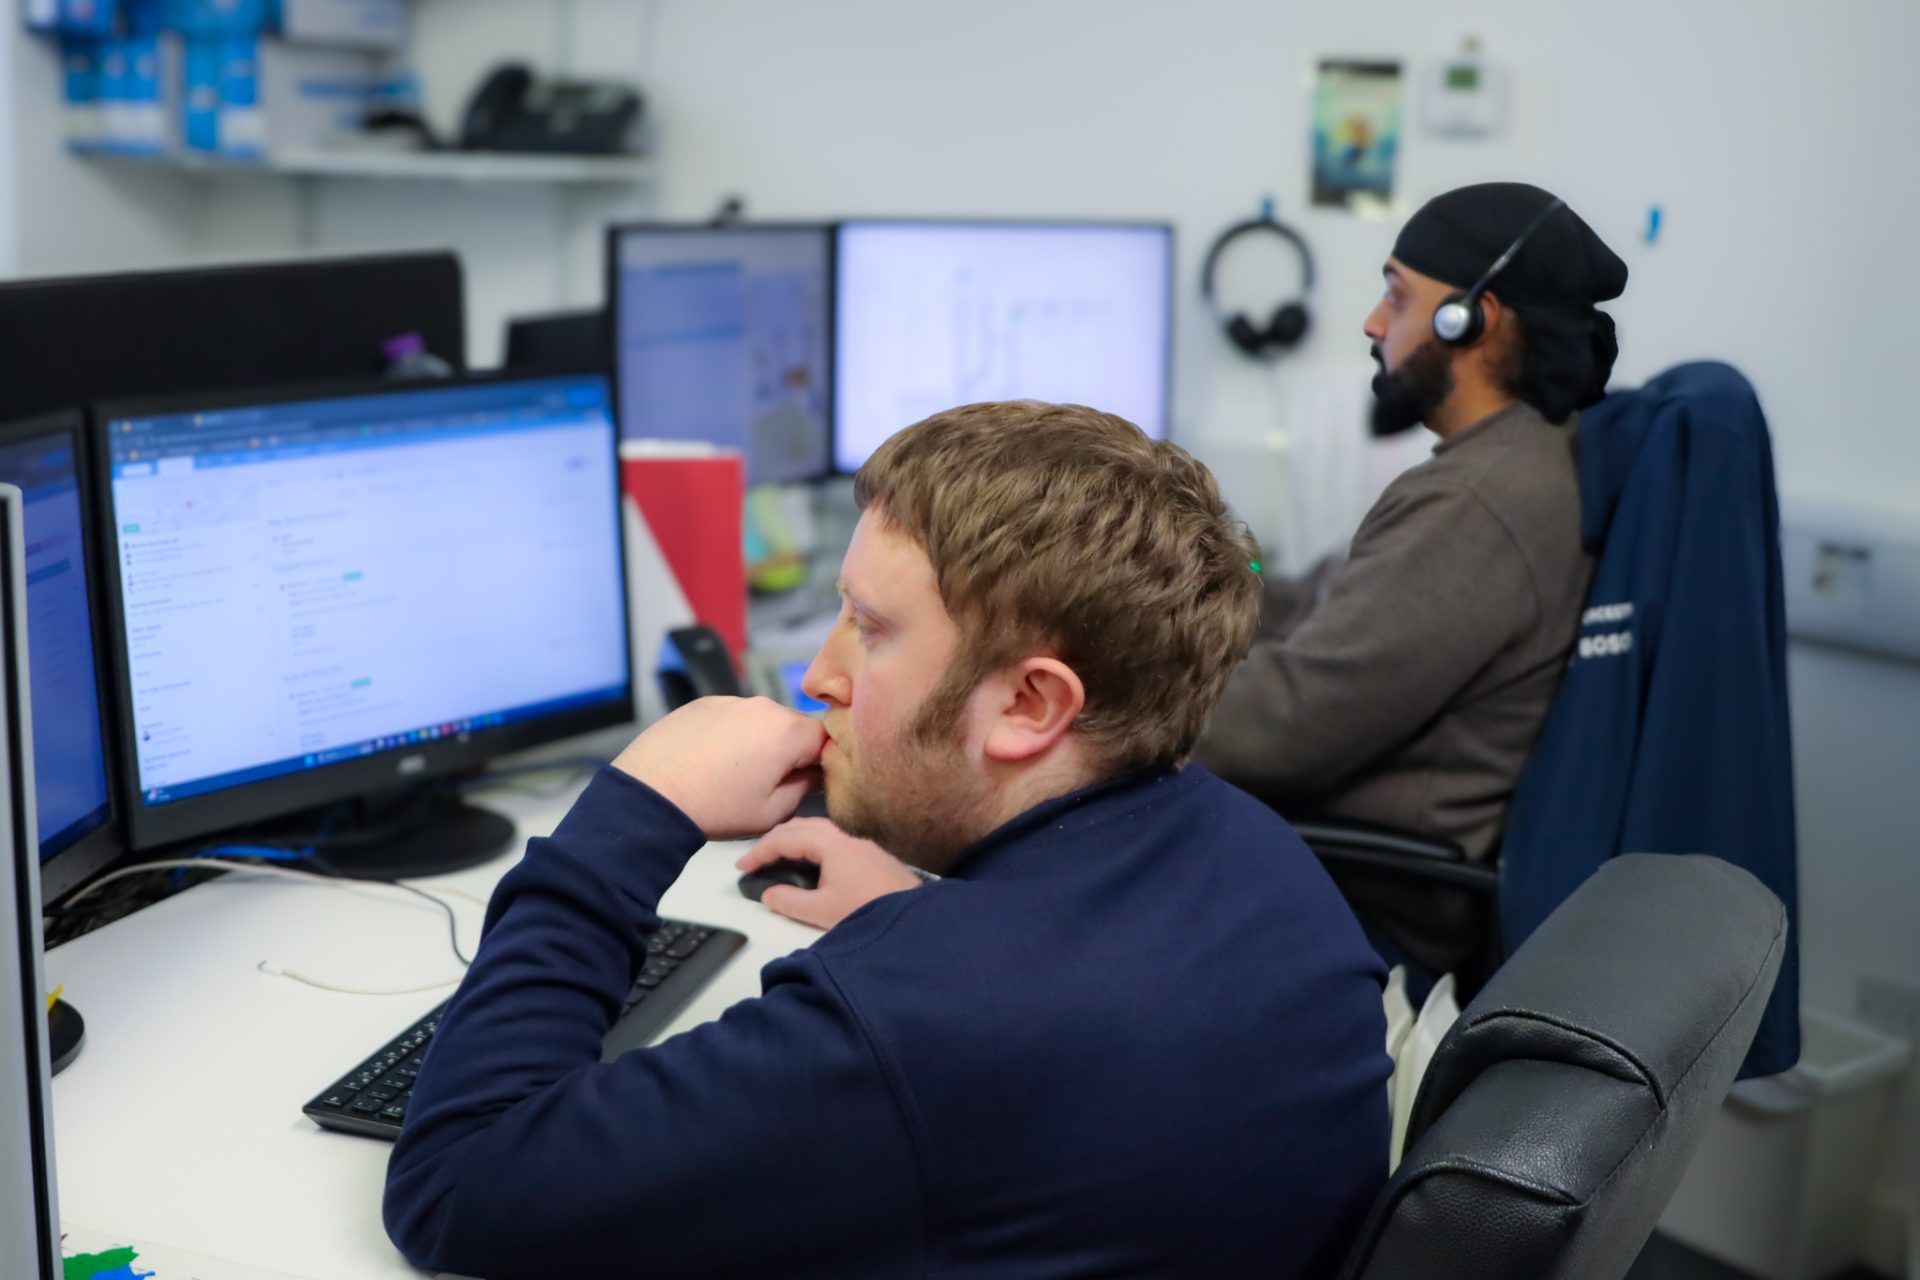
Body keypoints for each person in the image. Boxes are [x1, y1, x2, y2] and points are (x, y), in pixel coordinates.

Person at [383, 401, 1392, 1279]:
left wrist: (641, 805)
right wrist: (913, 917)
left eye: (869, 626)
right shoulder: (1259, 852)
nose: (818, 673)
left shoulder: (923, 1028)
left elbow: (458, 1182)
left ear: (1032, 701)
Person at [1185, 182, 1625, 973]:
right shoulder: (1505, 465)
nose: (1372, 323)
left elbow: (1287, 723)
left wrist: (1101, 702)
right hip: (1333, 861)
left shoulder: (1477, 503)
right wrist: (1190, 586)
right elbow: (1329, 592)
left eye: (1396, 296)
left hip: (1361, 898)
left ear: (1472, 320)